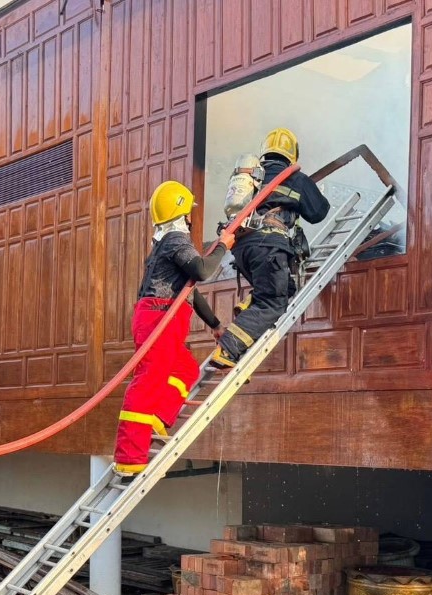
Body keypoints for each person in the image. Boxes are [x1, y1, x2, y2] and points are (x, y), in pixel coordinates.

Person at [113, 180, 233, 477]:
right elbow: (202, 271)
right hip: (160, 318)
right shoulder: (176, 239)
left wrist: (215, 325)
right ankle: (129, 459)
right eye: (189, 212)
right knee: (148, 381)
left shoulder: (165, 243)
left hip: (162, 317)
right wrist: (223, 246)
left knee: (185, 370)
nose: (192, 218)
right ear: (181, 213)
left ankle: (156, 417)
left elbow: (190, 291)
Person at [210, 127, 330, 368]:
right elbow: (319, 212)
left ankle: (250, 306)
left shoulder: (253, 174)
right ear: (292, 153)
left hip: (242, 249)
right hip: (268, 247)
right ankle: (228, 349)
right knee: (273, 303)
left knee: (286, 287)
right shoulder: (294, 177)